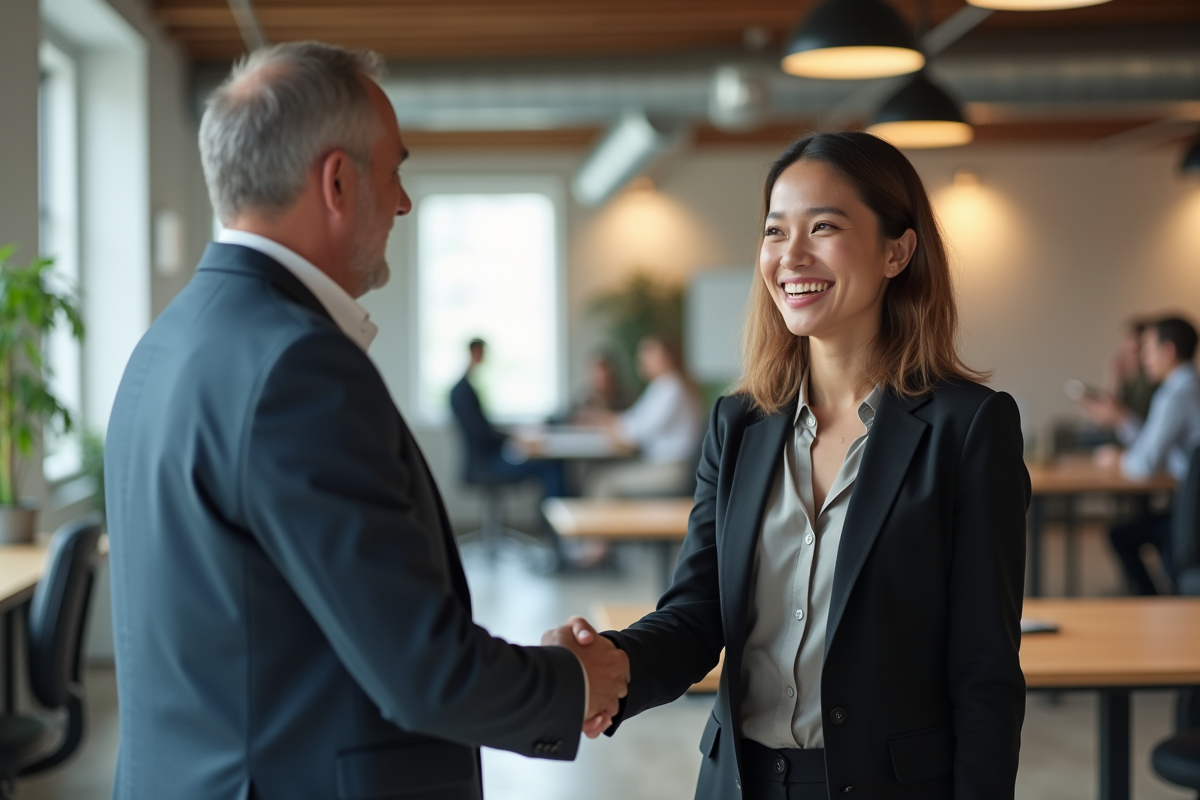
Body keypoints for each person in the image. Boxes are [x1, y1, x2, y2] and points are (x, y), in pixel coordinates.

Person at [105, 42, 627, 800]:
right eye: (396, 170)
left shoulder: (169, 340)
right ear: (339, 181)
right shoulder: (298, 367)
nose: (404, 202)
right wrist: (578, 679)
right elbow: (423, 672)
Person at [546, 131, 1029, 799]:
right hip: (740, 782)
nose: (790, 255)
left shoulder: (968, 428)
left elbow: (984, 666)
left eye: (823, 227)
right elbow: (696, 614)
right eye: (775, 232)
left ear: (898, 249)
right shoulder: (738, 424)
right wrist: (610, 662)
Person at [1082, 315, 1200, 594]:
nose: (1144, 358)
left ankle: (1153, 599)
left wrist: (1118, 458)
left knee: (1121, 535)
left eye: (1147, 349)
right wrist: (1121, 418)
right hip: (1189, 505)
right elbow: (1152, 444)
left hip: (1191, 515)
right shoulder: (1188, 387)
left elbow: (1144, 464)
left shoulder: (1174, 395)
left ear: (1168, 351)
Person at [584, 335, 701, 498]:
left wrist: (608, 422)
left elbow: (636, 431)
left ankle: (604, 525)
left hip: (672, 469)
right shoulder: (663, 386)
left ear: (666, 357)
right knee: (602, 476)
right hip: (664, 465)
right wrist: (608, 420)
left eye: (649, 354)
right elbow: (634, 420)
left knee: (604, 482)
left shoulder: (671, 388)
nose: (642, 359)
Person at [449, 338, 565, 497]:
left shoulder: (464, 389)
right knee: (549, 467)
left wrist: (512, 436)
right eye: (482, 352)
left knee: (549, 464)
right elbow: (480, 434)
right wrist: (512, 438)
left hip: (484, 459)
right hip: (485, 464)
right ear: (474, 352)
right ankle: (555, 520)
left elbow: (483, 429)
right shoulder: (463, 391)